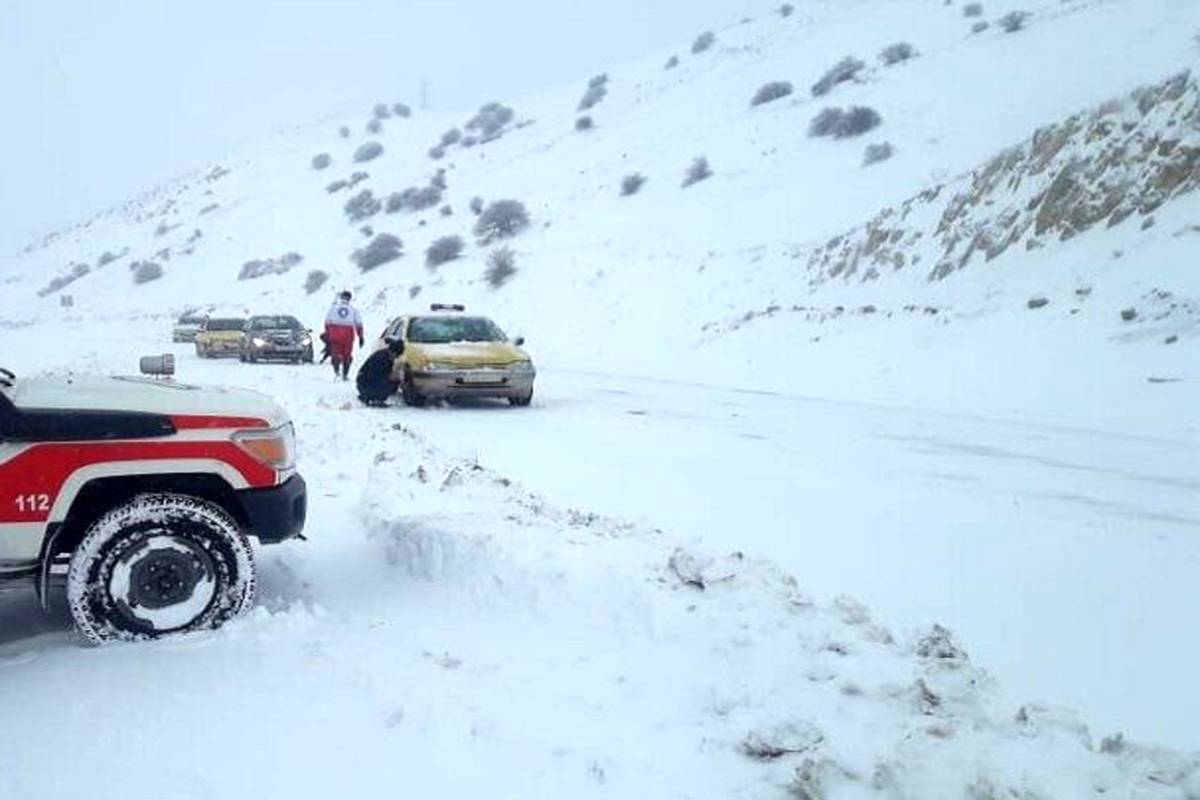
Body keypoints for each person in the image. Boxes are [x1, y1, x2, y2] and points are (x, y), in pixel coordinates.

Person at [323, 291, 364, 380]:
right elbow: (359, 324)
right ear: (350, 299)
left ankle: (336, 372)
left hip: (334, 334)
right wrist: (360, 336)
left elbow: (327, 322)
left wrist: (327, 334)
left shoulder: (333, 308)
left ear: (341, 298)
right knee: (347, 355)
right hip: (348, 335)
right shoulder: (353, 310)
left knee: (335, 354)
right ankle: (345, 375)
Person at [356, 337, 405, 406]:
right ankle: (370, 397)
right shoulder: (381, 358)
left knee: (394, 382)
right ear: (393, 352)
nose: (396, 357)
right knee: (389, 383)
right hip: (365, 382)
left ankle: (376, 398)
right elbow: (373, 375)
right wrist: (389, 377)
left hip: (370, 380)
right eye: (397, 355)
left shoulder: (388, 358)